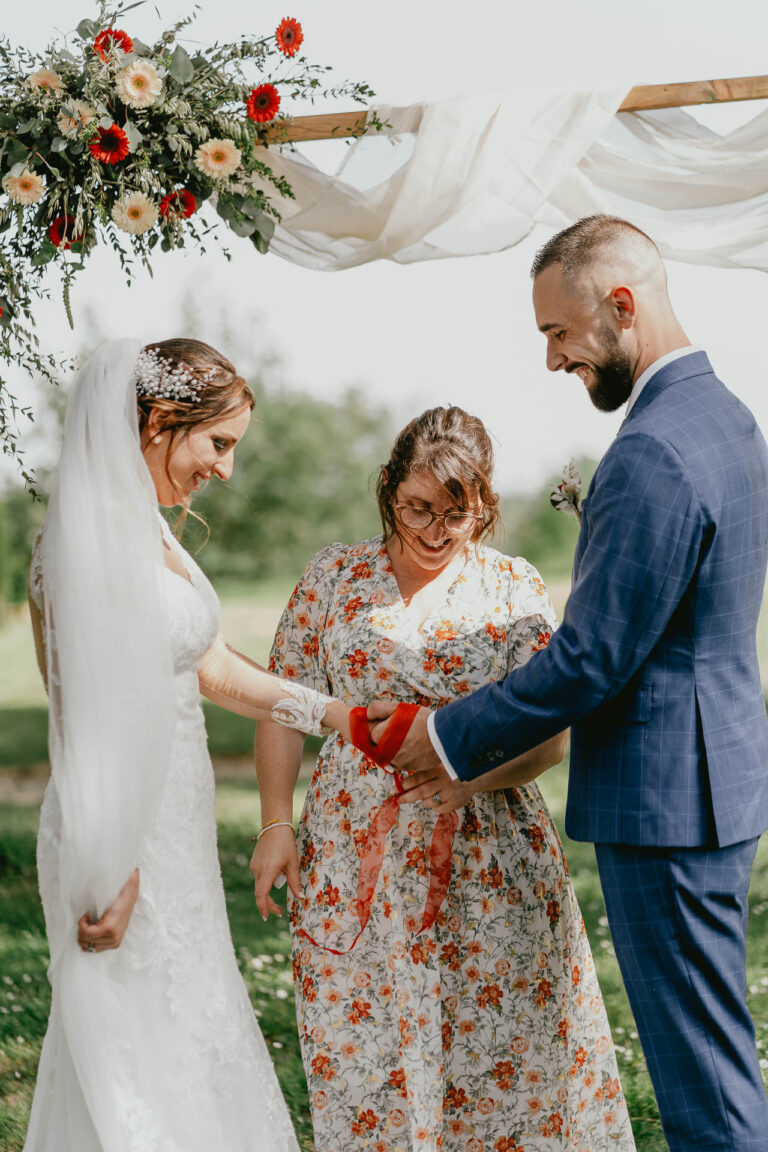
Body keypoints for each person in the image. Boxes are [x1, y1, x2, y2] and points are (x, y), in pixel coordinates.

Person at [374, 217, 768, 1152]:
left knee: (702, 1080)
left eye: (559, 333)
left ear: (621, 306)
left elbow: (593, 657)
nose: (551, 358)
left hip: (665, 801)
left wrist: (448, 734)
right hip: (716, 779)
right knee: (715, 1050)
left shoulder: (652, 450)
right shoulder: (727, 417)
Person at [250, 406, 636, 1152]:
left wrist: (467, 779)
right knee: (365, 1054)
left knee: (496, 1058)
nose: (432, 530)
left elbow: (552, 732)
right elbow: (282, 702)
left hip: (486, 856)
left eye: (454, 514)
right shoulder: (335, 575)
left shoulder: (513, 588)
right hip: (349, 852)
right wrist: (274, 823)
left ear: (483, 505)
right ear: (388, 490)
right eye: (416, 508)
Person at [24, 338, 356, 1152]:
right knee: (136, 1054)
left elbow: (206, 665)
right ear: (161, 421)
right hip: (123, 832)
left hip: (173, 830)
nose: (226, 470)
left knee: (189, 1030)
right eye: (219, 444)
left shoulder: (150, 534)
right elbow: (88, 716)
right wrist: (117, 862)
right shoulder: (87, 539)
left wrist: (342, 717)